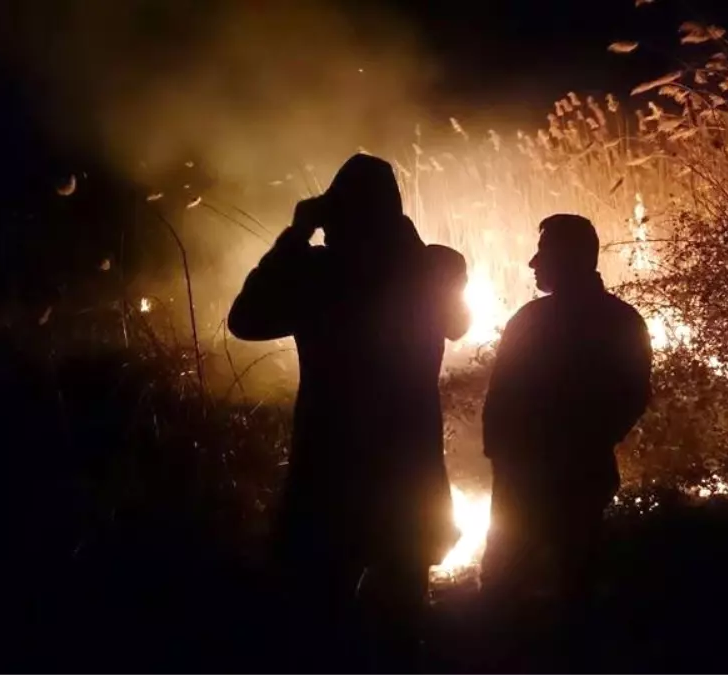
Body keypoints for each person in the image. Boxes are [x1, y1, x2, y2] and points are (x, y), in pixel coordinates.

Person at [228, 154, 470, 673]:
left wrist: (295, 236)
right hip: (408, 467)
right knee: (401, 619)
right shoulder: (434, 267)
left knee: (321, 618)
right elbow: (458, 323)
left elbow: (245, 320)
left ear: (335, 214)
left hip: (329, 466)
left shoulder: (317, 274)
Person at [480, 214, 652, 669]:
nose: (533, 262)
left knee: (504, 586)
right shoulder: (621, 320)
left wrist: (507, 455)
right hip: (577, 474)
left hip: (532, 477)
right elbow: (633, 396)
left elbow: (502, 398)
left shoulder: (532, 322)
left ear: (571, 258)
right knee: (575, 584)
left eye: (545, 251)